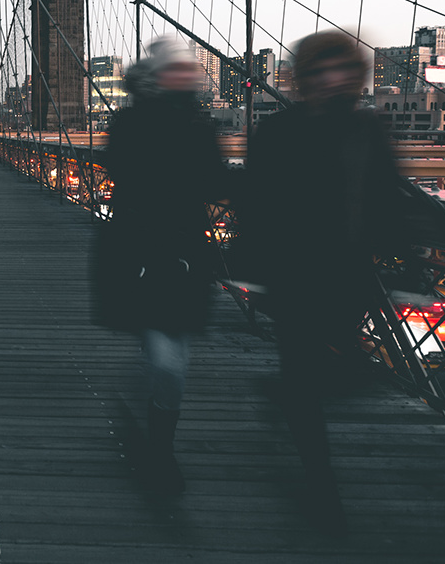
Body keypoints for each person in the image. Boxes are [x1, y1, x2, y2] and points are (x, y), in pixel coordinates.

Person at [241, 29, 407, 532]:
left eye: (339, 69)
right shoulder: (276, 132)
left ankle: (293, 396)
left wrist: (399, 261)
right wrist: (247, 264)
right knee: (303, 372)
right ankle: (322, 486)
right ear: (303, 77)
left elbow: (388, 201)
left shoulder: (368, 131)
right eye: (318, 70)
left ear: (354, 75)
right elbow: (256, 202)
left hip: (346, 277)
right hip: (293, 275)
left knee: (311, 373)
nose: (329, 79)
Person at [94, 37, 230, 495]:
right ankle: (161, 453)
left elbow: (215, 182)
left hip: (185, 256)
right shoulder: (132, 123)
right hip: (142, 252)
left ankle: (156, 419)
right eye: (176, 69)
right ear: (157, 76)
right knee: (170, 360)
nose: (185, 74)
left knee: (171, 357)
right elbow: (122, 173)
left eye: (187, 69)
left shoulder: (198, 123)